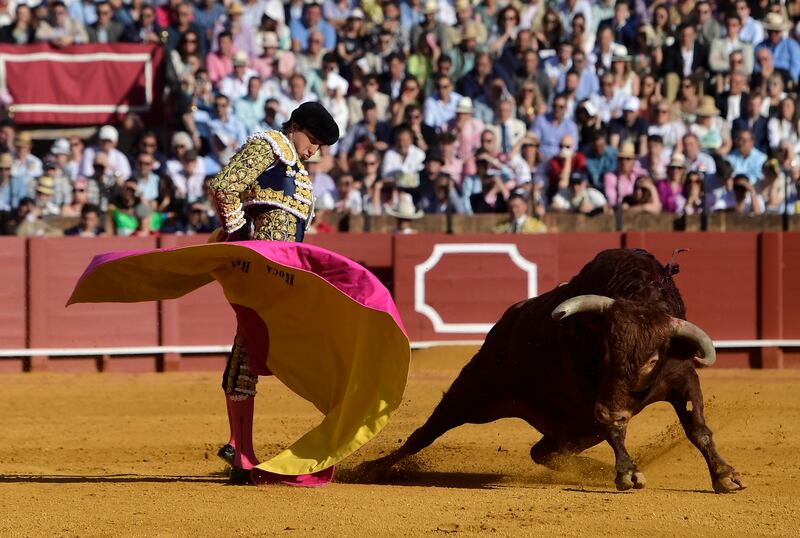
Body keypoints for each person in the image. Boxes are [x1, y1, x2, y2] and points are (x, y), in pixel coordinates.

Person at [208, 101, 339, 484]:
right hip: (264, 269)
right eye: (311, 139)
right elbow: (225, 186)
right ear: (294, 126)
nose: (314, 149)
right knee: (251, 347)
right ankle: (242, 455)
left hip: (286, 273)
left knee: (255, 349)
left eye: (320, 145)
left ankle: (239, 446)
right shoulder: (271, 146)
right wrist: (236, 237)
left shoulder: (297, 170)